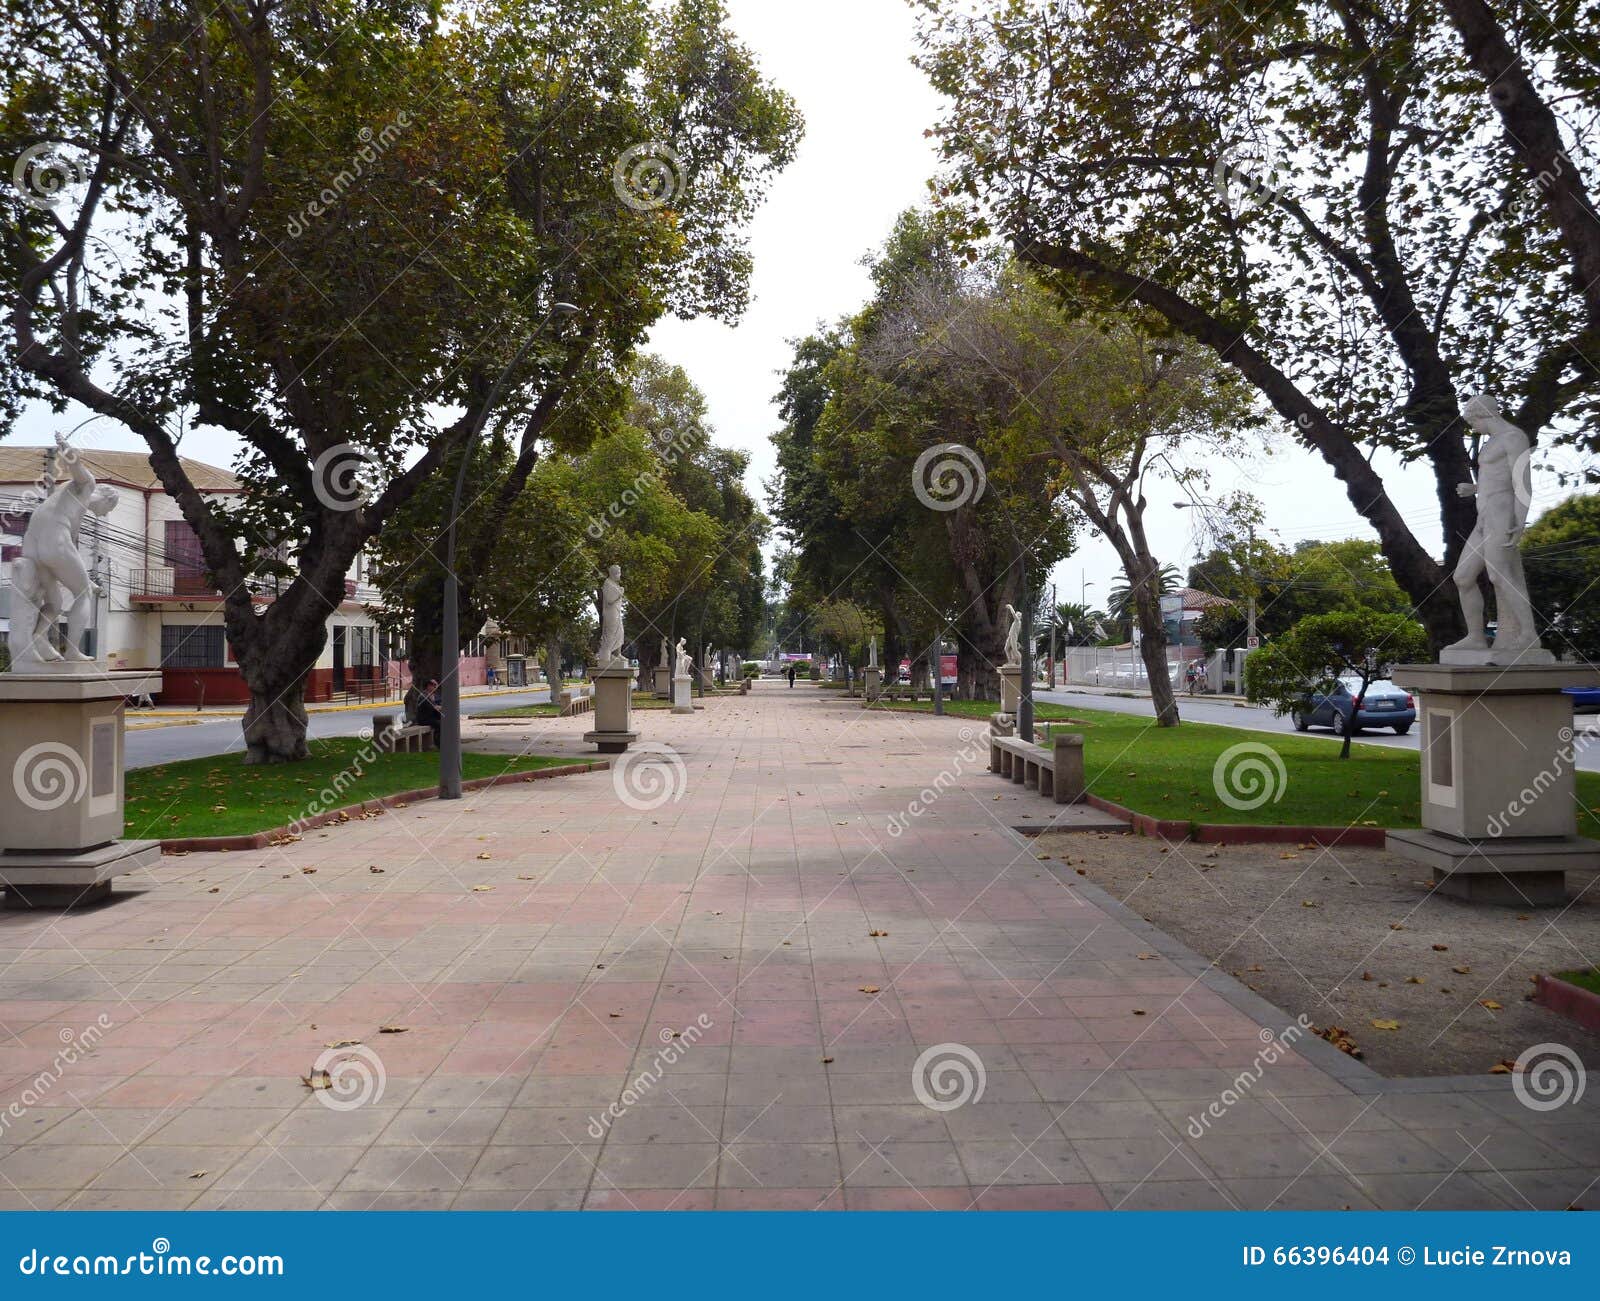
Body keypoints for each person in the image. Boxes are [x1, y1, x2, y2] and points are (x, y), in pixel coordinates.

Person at [415, 677, 443, 745]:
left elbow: (440, 704)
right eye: (434, 685)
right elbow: (435, 707)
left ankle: (444, 741)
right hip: (424, 719)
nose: (436, 686)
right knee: (440, 724)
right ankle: (438, 743)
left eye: (436, 684)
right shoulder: (423, 696)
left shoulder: (434, 695)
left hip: (432, 718)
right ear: (428, 686)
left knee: (445, 722)